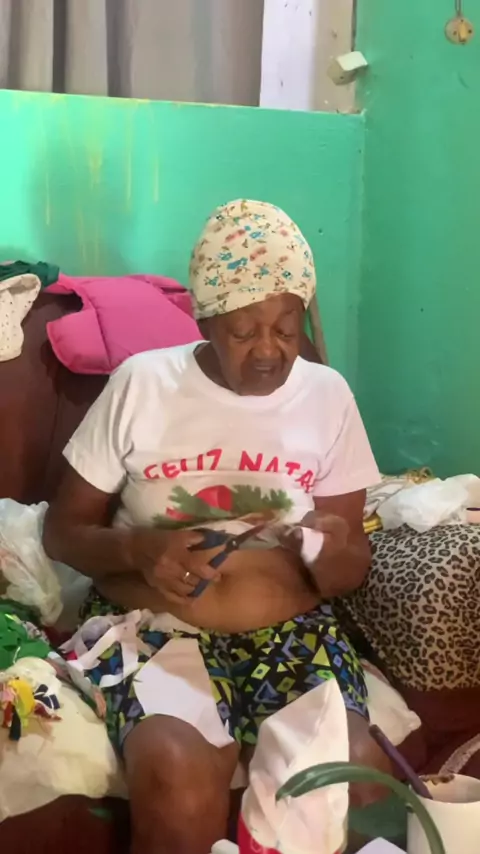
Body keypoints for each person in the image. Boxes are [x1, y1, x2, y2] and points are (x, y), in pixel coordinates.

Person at [43, 199, 390, 854]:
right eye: (243, 332)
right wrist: (140, 549)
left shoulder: (327, 395)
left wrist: (332, 552)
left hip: (294, 636)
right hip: (154, 630)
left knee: (350, 775)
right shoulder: (144, 384)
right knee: (178, 778)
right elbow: (62, 533)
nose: (269, 351)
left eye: (285, 328)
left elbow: (352, 566)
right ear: (204, 321)